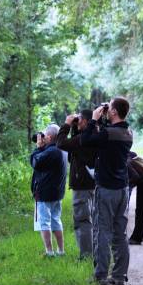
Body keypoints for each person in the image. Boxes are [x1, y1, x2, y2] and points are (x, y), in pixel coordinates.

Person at [81, 97, 133, 285]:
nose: (106, 109)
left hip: (106, 189)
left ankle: (101, 274)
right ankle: (119, 275)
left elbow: (86, 140)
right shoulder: (128, 132)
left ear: (114, 112)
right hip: (123, 188)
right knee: (120, 233)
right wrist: (102, 121)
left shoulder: (108, 133)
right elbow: (105, 138)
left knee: (102, 231)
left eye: (109, 107)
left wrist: (94, 118)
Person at [56, 110, 97, 260]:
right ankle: (93, 252)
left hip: (82, 186)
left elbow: (60, 143)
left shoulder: (82, 140)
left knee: (82, 220)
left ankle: (86, 255)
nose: (77, 121)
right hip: (92, 183)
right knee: (92, 219)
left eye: (79, 119)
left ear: (86, 121)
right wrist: (74, 127)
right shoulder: (94, 135)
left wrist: (67, 124)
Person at [30, 124, 67, 257]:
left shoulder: (50, 151)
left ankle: (49, 252)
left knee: (44, 222)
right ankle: (61, 251)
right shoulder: (61, 150)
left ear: (49, 137)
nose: (42, 138)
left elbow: (35, 163)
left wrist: (38, 148)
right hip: (57, 193)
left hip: (45, 193)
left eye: (44, 135)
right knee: (56, 220)